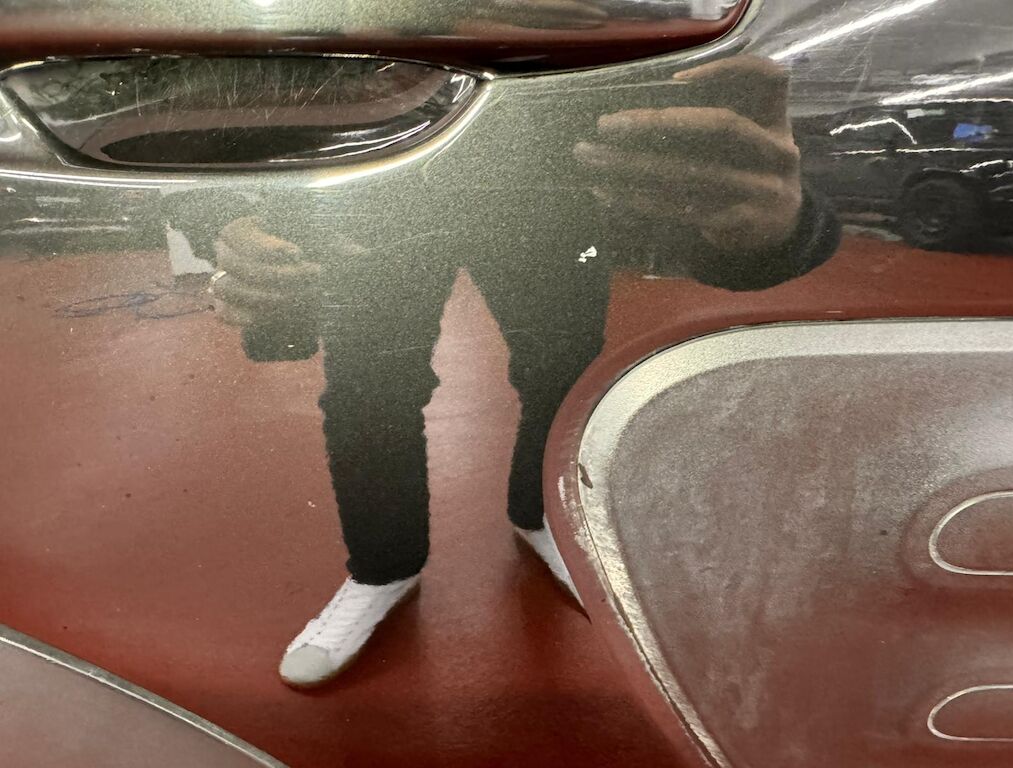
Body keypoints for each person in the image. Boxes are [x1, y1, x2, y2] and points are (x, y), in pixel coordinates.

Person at [205, 55, 840, 688]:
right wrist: (233, 212)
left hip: (549, 207)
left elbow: (704, 217)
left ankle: (538, 516)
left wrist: (774, 229)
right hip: (383, 207)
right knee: (369, 395)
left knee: (560, 375)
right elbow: (279, 88)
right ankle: (383, 568)